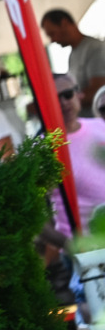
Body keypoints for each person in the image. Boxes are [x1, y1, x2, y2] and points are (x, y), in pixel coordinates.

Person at [49, 73, 105, 238]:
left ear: (78, 94)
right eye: (55, 97)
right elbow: (31, 209)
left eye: (67, 94)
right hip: (86, 251)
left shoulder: (100, 126)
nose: (63, 102)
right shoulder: (44, 148)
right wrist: (67, 245)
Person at [41, 9, 105, 118]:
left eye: (52, 33)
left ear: (64, 23)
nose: (52, 40)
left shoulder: (95, 48)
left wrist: (56, 102)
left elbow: (99, 91)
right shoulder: (73, 54)